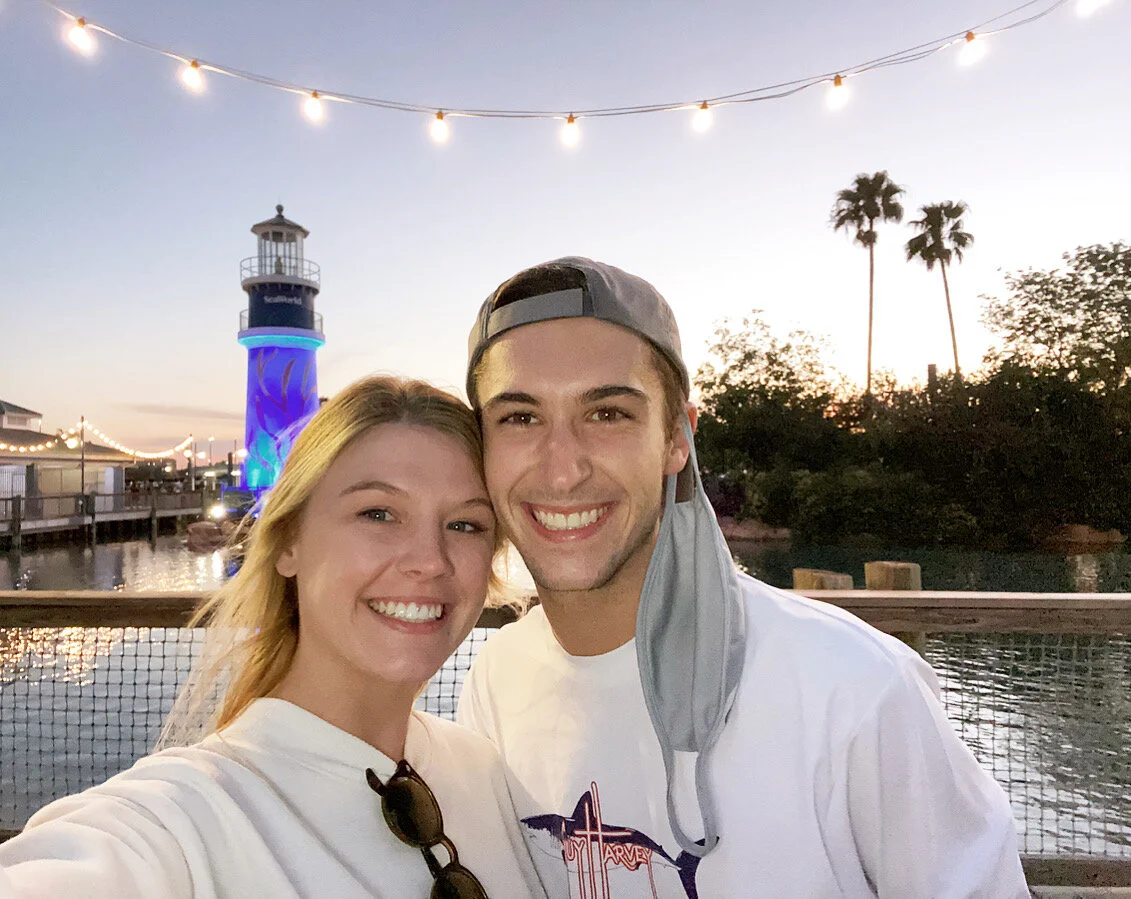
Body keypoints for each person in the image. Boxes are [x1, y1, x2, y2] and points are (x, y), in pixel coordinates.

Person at [457, 257, 1029, 897]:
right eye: (520, 417)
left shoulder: (853, 688)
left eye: (608, 414)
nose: (562, 471)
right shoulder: (494, 679)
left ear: (677, 439)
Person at [0, 376, 546, 899]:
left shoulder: (486, 771)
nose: (429, 560)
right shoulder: (182, 824)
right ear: (288, 542)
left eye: (466, 525)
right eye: (377, 513)